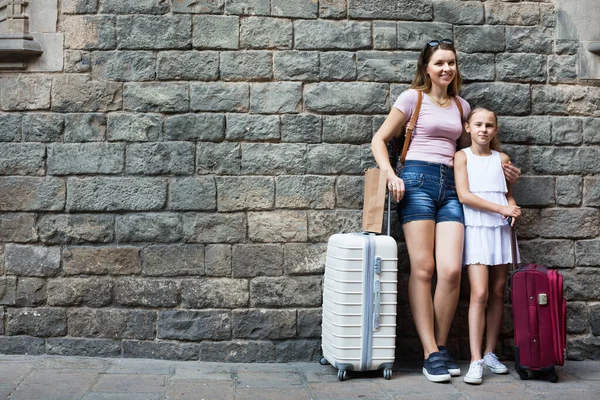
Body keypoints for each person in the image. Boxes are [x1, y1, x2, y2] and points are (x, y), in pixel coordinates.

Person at [370, 39, 521, 383]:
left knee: (451, 271)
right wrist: (391, 173)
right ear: (427, 67)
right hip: (416, 181)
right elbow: (379, 140)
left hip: (451, 187)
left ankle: (438, 346)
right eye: (439, 63)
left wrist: (505, 169)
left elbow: (477, 150)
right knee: (424, 268)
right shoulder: (413, 99)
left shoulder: (461, 106)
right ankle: (429, 353)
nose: (446, 69)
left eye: (451, 62)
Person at [454, 107, 521, 385]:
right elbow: (464, 195)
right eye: (478, 124)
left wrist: (513, 207)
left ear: (495, 130)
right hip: (477, 228)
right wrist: (499, 207)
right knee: (479, 292)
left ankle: (491, 353)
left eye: (489, 125)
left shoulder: (501, 158)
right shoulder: (462, 157)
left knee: (496, 292)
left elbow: (508, 195)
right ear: (468, 128)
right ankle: (475, 359)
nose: (484, 129)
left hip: (500, 229)